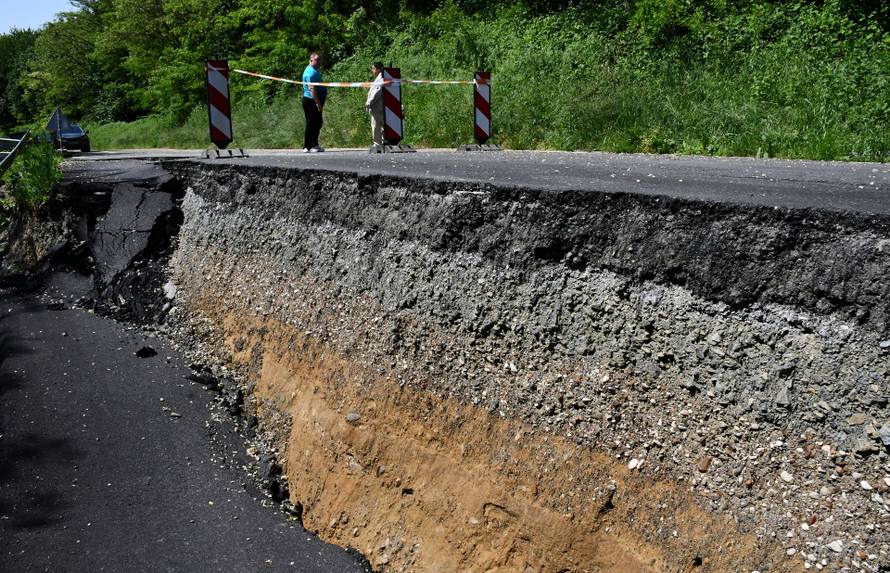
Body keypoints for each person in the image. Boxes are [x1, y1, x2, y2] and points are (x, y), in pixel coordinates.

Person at [301, 52, 327, 152]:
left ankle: (314, 144)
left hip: (314, 100)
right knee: (311, 123)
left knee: (317, 122)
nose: (318, 62)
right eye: (316, 60)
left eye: (319, 60)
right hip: (311, 101)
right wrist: (318, 103)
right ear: (311, 60)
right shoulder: (309, 72)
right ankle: (308, 146)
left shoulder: (314, 70)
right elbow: (312, 89)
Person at [365, 62, 385, 150]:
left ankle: (377, 144)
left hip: (377, 106)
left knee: (376, 125)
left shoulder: (380, 79)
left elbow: (377, 92)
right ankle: (383, 141)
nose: (372, 70)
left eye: (373, 68)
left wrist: (369, 102)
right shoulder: (379, 78)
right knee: (382, 125)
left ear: (378, 69)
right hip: (379, 106)